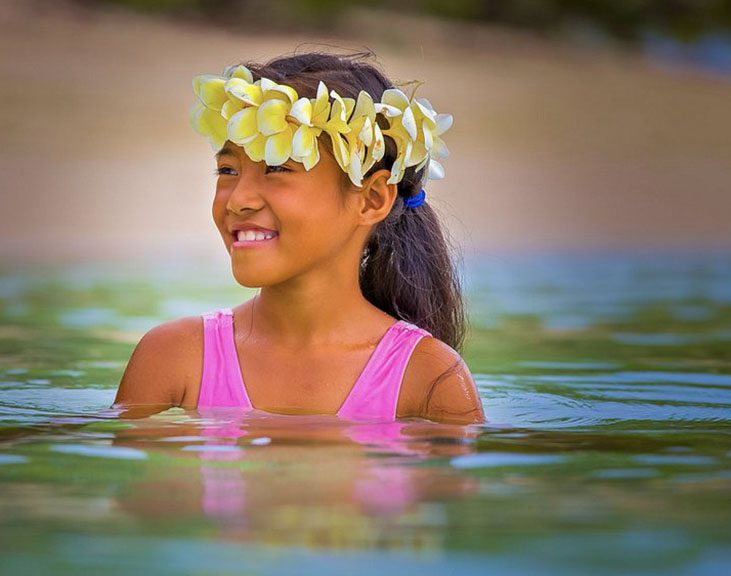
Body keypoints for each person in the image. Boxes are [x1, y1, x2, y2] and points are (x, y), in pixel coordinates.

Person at [113, 51, 484, 425]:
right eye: (227, 169)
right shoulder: (175, 358)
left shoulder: (429, 378)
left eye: (278, 167)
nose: (239, 200)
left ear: (371, 200)